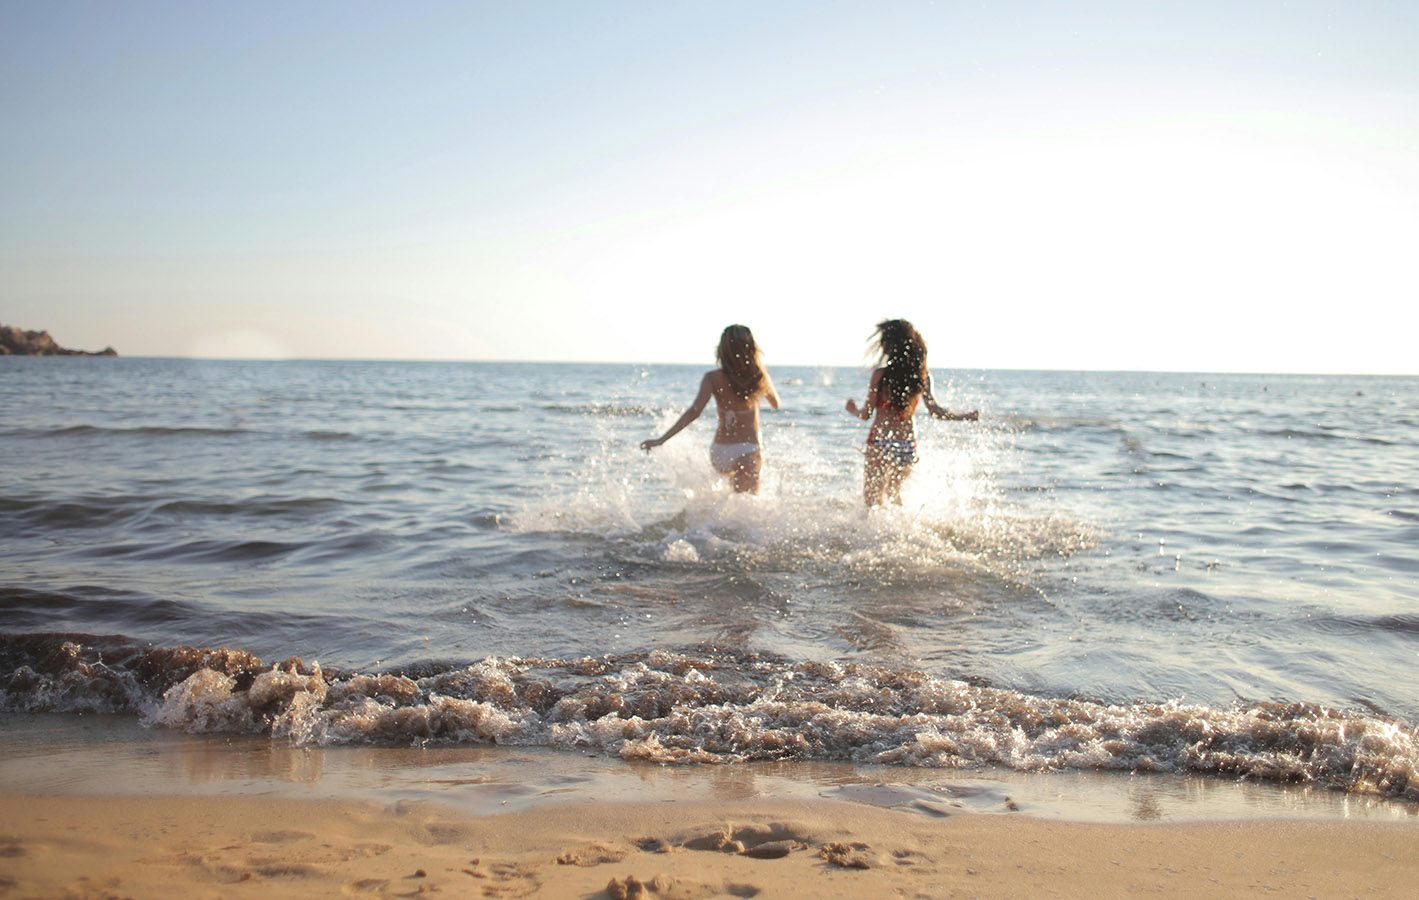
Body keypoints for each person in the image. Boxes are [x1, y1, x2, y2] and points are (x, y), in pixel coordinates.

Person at [846, 319, 978, 507]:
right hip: (907, 445)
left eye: (884, 341)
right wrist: (964, 416)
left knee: (872, 501)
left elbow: (866, 414)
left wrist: (852, 409)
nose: (882, 345)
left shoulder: (880, 375)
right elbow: (936, 411)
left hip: (880, 442)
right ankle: (903, 532)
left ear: (890, 346)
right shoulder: (922, 376)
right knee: (894, 494)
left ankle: (873, 535)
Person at [641, 325, 780, 494]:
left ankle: (711, 519)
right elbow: (775, 403)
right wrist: (760, 371)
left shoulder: (712, 378)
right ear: (751, 349)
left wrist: (661, 440)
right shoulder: (758, 376)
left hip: (720, 453)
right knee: (748, 504)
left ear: (722, 350)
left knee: (736, 498)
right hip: (748, 451)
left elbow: (694, 412)